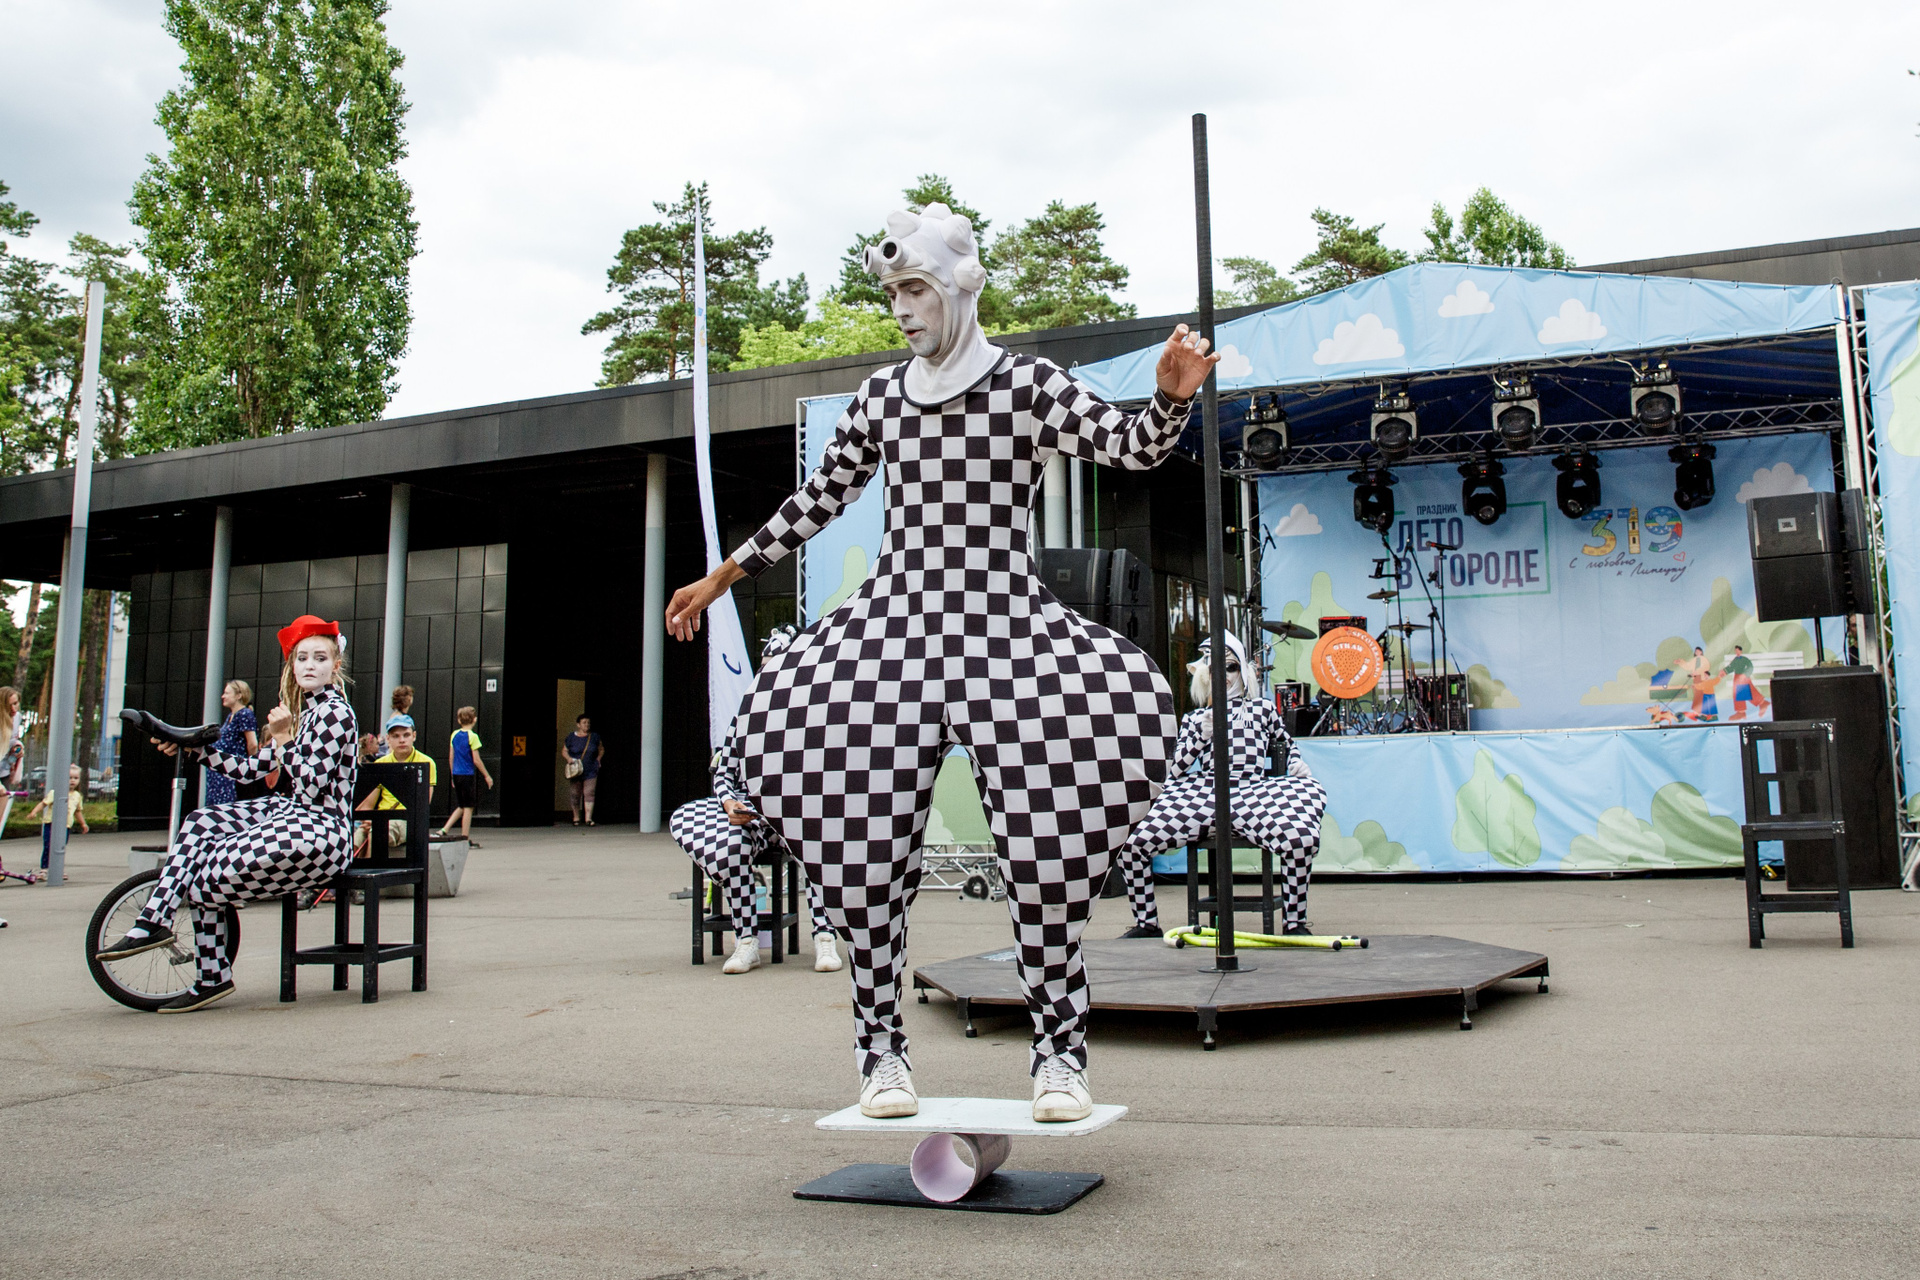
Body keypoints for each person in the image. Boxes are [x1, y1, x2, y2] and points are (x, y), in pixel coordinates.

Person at [666, 201, 1216, 1123]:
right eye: (893, 295)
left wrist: (1170, 398)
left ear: (960, 287)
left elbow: (1131, 449)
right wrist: (724, 574)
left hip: (1007, 631)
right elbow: (819, 499)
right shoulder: (883, 397)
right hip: (898, 632)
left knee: (1045, 851)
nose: (902, 310)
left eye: (915, 289)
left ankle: (1060, 1058)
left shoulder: (1028, 384)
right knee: (863, 851)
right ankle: (880, 1055)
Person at [95, 615, 359, 1013]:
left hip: (322, 834)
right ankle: (154, 921)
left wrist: (284, 737)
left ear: (335, 665)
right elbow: (251, 769)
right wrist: (194, 751)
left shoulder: (336, 713)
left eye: (319, 658)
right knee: (200, 821)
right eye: (301, 657)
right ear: (292, 665)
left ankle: (211, 977)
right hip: (292, 817)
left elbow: (310, 786)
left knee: (205, 878)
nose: (309, 665)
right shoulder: (307, 713)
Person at [1111, 634, 1328, 937]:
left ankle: (1295, 923)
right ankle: (1146, 923)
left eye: (1231, 668)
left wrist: (1295, 764)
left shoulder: (1263, 709)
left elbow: (1287, 745)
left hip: (1253, 792)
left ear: (1243, 672)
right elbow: (1175, 769)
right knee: (1131, 845)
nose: (1224, 676)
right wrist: (1201, 735)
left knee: (1300, 839)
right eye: (1216, 669)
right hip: (1205, 793)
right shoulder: (1195, 718)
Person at [669, 626, 842, 974]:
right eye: (766, 669)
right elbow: (723, 772)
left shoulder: (814, 715)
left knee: (817, 844)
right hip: (752, 817)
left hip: (797, 816)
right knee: (732, 848)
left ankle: (825, 937)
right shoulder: (745, 716)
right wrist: (729, 804)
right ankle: (746, 941)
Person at [358, 713, 436, 852]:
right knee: (353, 841)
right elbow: (367, 804)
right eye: (396, 736)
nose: (402, 740)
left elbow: (423, 805)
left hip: (407, 820)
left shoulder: (426, 763)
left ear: (414, 736)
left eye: (406, 735)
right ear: (388, 739)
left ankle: (371, 867)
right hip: (380, 817)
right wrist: (369, 819)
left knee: (377, 833)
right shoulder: (380, 764)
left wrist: (376, 822)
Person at [437, 706, 493, 847]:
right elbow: (476, 760)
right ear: (474, 720)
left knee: (462, 805)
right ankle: (464, 838)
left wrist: (452, 775)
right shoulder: (473, 737)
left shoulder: (454, 734)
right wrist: (487, 775)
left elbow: (451, 756)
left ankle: (444, 830)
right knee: (468, 807)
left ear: (459, 720)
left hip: (456, 774)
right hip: (467, 774)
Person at [204, 680, 259, 806]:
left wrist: (251, 767)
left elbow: (253, 744)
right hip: (222, 771)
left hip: (232, 771)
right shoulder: (231, 716)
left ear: (239, 695)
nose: (223, 696)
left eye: (227, 693)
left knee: (228, 807)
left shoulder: (244, 714)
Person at [29, 762, 88, 874]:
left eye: (76, 778)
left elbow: (78, 811)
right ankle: (45, 868)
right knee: (48, 845)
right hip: (51, 823)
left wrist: (83, 823)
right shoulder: (55, 792)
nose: (72, 780)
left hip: (66, 826)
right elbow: (43, 803)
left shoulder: (77, 796)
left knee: (60, 847)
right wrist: (34, 812)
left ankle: (57, 869)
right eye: (69, 778)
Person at [562, 715, 603, 827]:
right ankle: (576, 817)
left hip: (591, 768)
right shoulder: (571, 737)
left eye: (588, 722)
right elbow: (564, 751)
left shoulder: (594, 737)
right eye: (584, 722)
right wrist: (569, 759)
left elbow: (601, 749)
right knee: (575, 794)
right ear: (578, 725)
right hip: (576, 769)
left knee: (589, 792)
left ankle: (588, 818)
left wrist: (598, 759)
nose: (587, 725)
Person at [1727, 645, 1770, 721]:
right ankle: (1742, 712)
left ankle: (1761, 703)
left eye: (1738, 650)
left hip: (1743, 677)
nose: (1737, 652)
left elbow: (1750, 667)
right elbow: (1731, 667)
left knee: (1748, 691)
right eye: (1736, 651)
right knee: (1739, 692)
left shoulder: (1744, 659)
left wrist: (1745, 674)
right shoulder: (1735, 660)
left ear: (1741, 651)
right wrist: (1724, 671)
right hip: (1737, 677)